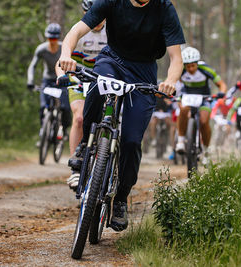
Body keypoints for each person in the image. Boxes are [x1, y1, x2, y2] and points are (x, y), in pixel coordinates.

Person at [58, 0, 185, 231]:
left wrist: (170, 81)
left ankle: (120, 199)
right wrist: (66, 54)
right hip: (112, 60)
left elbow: (176, 58)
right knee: (98, 86)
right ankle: (86, 143)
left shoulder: (164, 8)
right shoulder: (112, 1)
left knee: (131, 141)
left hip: (144, 71)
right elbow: (76, 30)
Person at [55, 0, 107, 191]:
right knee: (79, 118)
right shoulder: (78, 31)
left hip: (104, 83)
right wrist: (61, 75)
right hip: (80, 82)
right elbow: (61, 60)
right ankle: (76, 169)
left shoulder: (113, 32)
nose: (97, 21)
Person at [175, 47, 227, 165]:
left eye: (193, 65)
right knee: (183, 110)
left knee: (204, 121)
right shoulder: (180, 70)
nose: (191, 69)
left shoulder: (205, 69)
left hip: (204, 97)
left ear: (197, 63)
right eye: (188, 66)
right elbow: (173, 82)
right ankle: (181, 140)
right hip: (187, 95)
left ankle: (206, 151)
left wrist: (222, 94)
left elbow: (221, 84)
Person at [27, 23, 71, 143]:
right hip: (47, 80)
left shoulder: (64, 48)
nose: (52, 41)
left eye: (55, 38)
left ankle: (65, 130)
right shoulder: (41, 49)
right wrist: (30, 80)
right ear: (47, 37)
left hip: (61, 79)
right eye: (50, 38)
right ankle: (43, 131)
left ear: (58, 38)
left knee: (65, 108)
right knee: (43, 107)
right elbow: (32, 66)